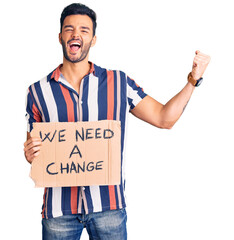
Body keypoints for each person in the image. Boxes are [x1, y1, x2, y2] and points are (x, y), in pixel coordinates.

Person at [24, 3, 210, 240]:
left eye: (84, 30)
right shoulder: (37, 92)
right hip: (58, 211)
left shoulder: (119, 83)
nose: (76, 34)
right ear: (60, 36)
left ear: (93, 39)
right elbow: (34, 150)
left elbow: (165, 118)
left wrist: (193, 80)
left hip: (109, 209)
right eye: (69, 29)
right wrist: (30, 154)